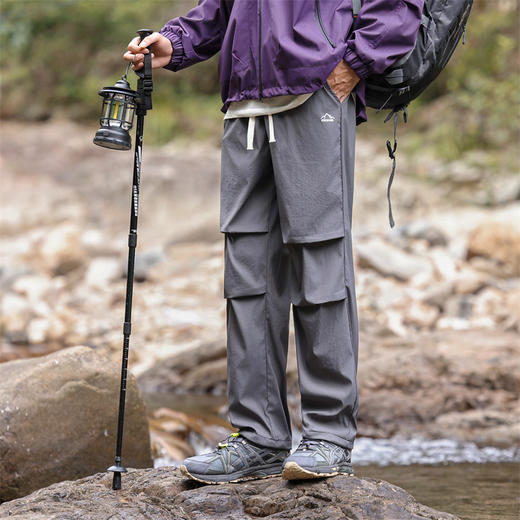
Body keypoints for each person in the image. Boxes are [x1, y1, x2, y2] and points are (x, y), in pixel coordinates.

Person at [125, 0, 424, 484]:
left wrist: (353, 65)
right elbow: (224, 8)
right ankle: (259, 437)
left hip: (317, 93)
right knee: (247, 274)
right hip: (244, 106)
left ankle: (328, 435)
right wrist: (175, 42)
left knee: (319, 260)